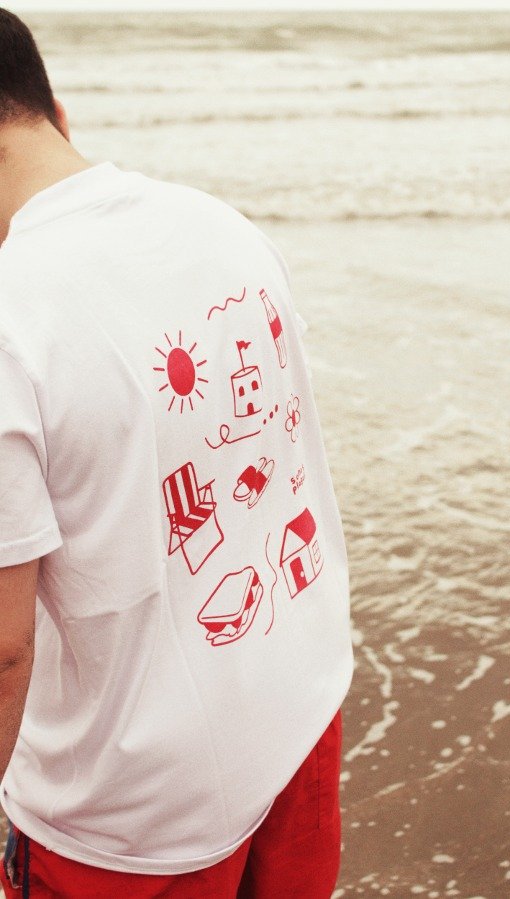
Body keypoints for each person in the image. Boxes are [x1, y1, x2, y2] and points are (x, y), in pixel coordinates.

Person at [0, 8, 353, 897]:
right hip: (299, 717)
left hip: (129, 818)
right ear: (57, 114)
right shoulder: (220, 224)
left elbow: (3, 651)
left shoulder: (11, 315)